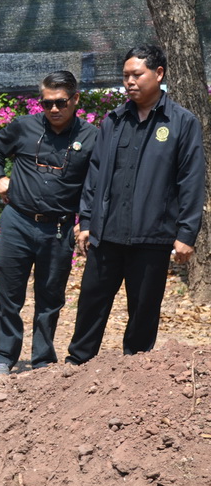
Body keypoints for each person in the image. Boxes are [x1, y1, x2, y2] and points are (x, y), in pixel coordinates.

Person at [66, 44, 205, 364]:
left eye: (137, 74)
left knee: (143, 310)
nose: (129, 81)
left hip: (152, 237)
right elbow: (95, 174)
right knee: (91, 304)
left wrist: (186, 234)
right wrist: (86, 222)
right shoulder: (114, 121)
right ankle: (77, 365)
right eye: (125, 75)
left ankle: (136, 371)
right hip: (106, 234)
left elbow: (191, 181)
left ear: (159, 74)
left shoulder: (181, 123)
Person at [0, 71, 97, 375]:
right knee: (9, 295)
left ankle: (42, 359)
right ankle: (2, 356)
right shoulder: (24, 127)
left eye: (60, 102)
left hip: (58, 229)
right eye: (46, 103)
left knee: (51, 298)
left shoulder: (91, 137)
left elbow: (95, 185)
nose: (53, 109)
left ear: (75, 99)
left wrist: (86, 221)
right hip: (18, 222)